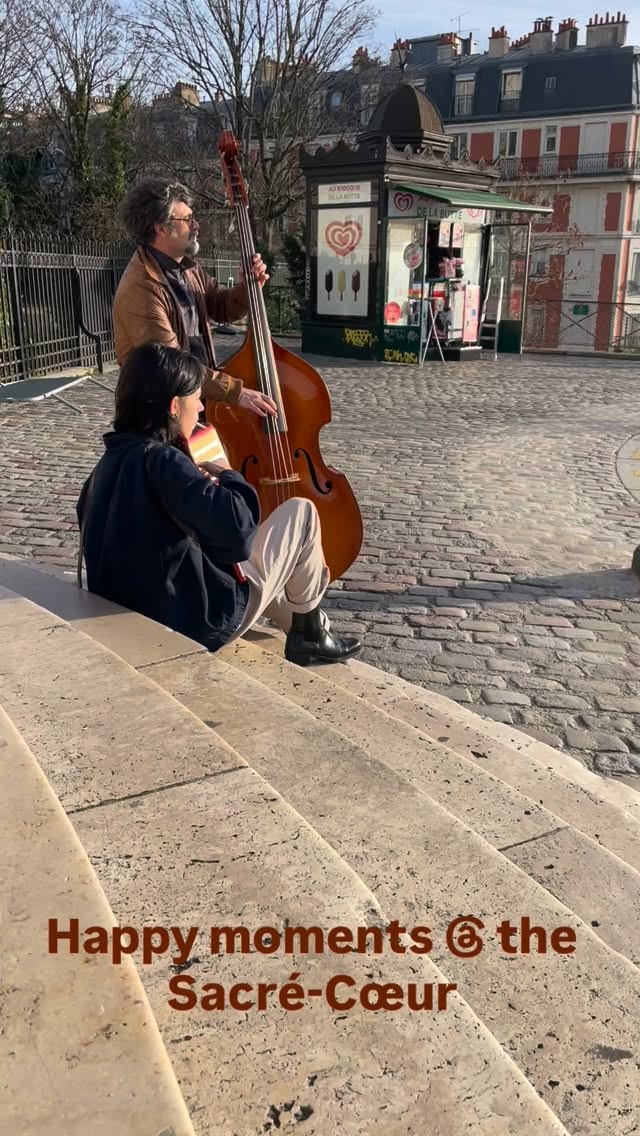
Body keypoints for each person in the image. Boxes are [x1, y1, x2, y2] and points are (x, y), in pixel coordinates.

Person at [76, 343, 362, 667]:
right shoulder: (163, 461)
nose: (201, 408)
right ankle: (310, 636)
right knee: (302, 513)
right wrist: (229, 477)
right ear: (174, 406)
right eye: (197, 398)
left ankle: (312, 627)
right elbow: (239, 537)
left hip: (135, 609)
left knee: (264, 562)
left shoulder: (106, 464)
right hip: (196, 621)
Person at [113, 177, 277, 420]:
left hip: (192, 401)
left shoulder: (187, 268)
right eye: (188, 219)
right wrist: (235, 392)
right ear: (162, 228)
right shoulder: (141, 287)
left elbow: (221, 306)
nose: (196, 225)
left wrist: (248, 287)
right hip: (161, 416)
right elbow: (172, 364)